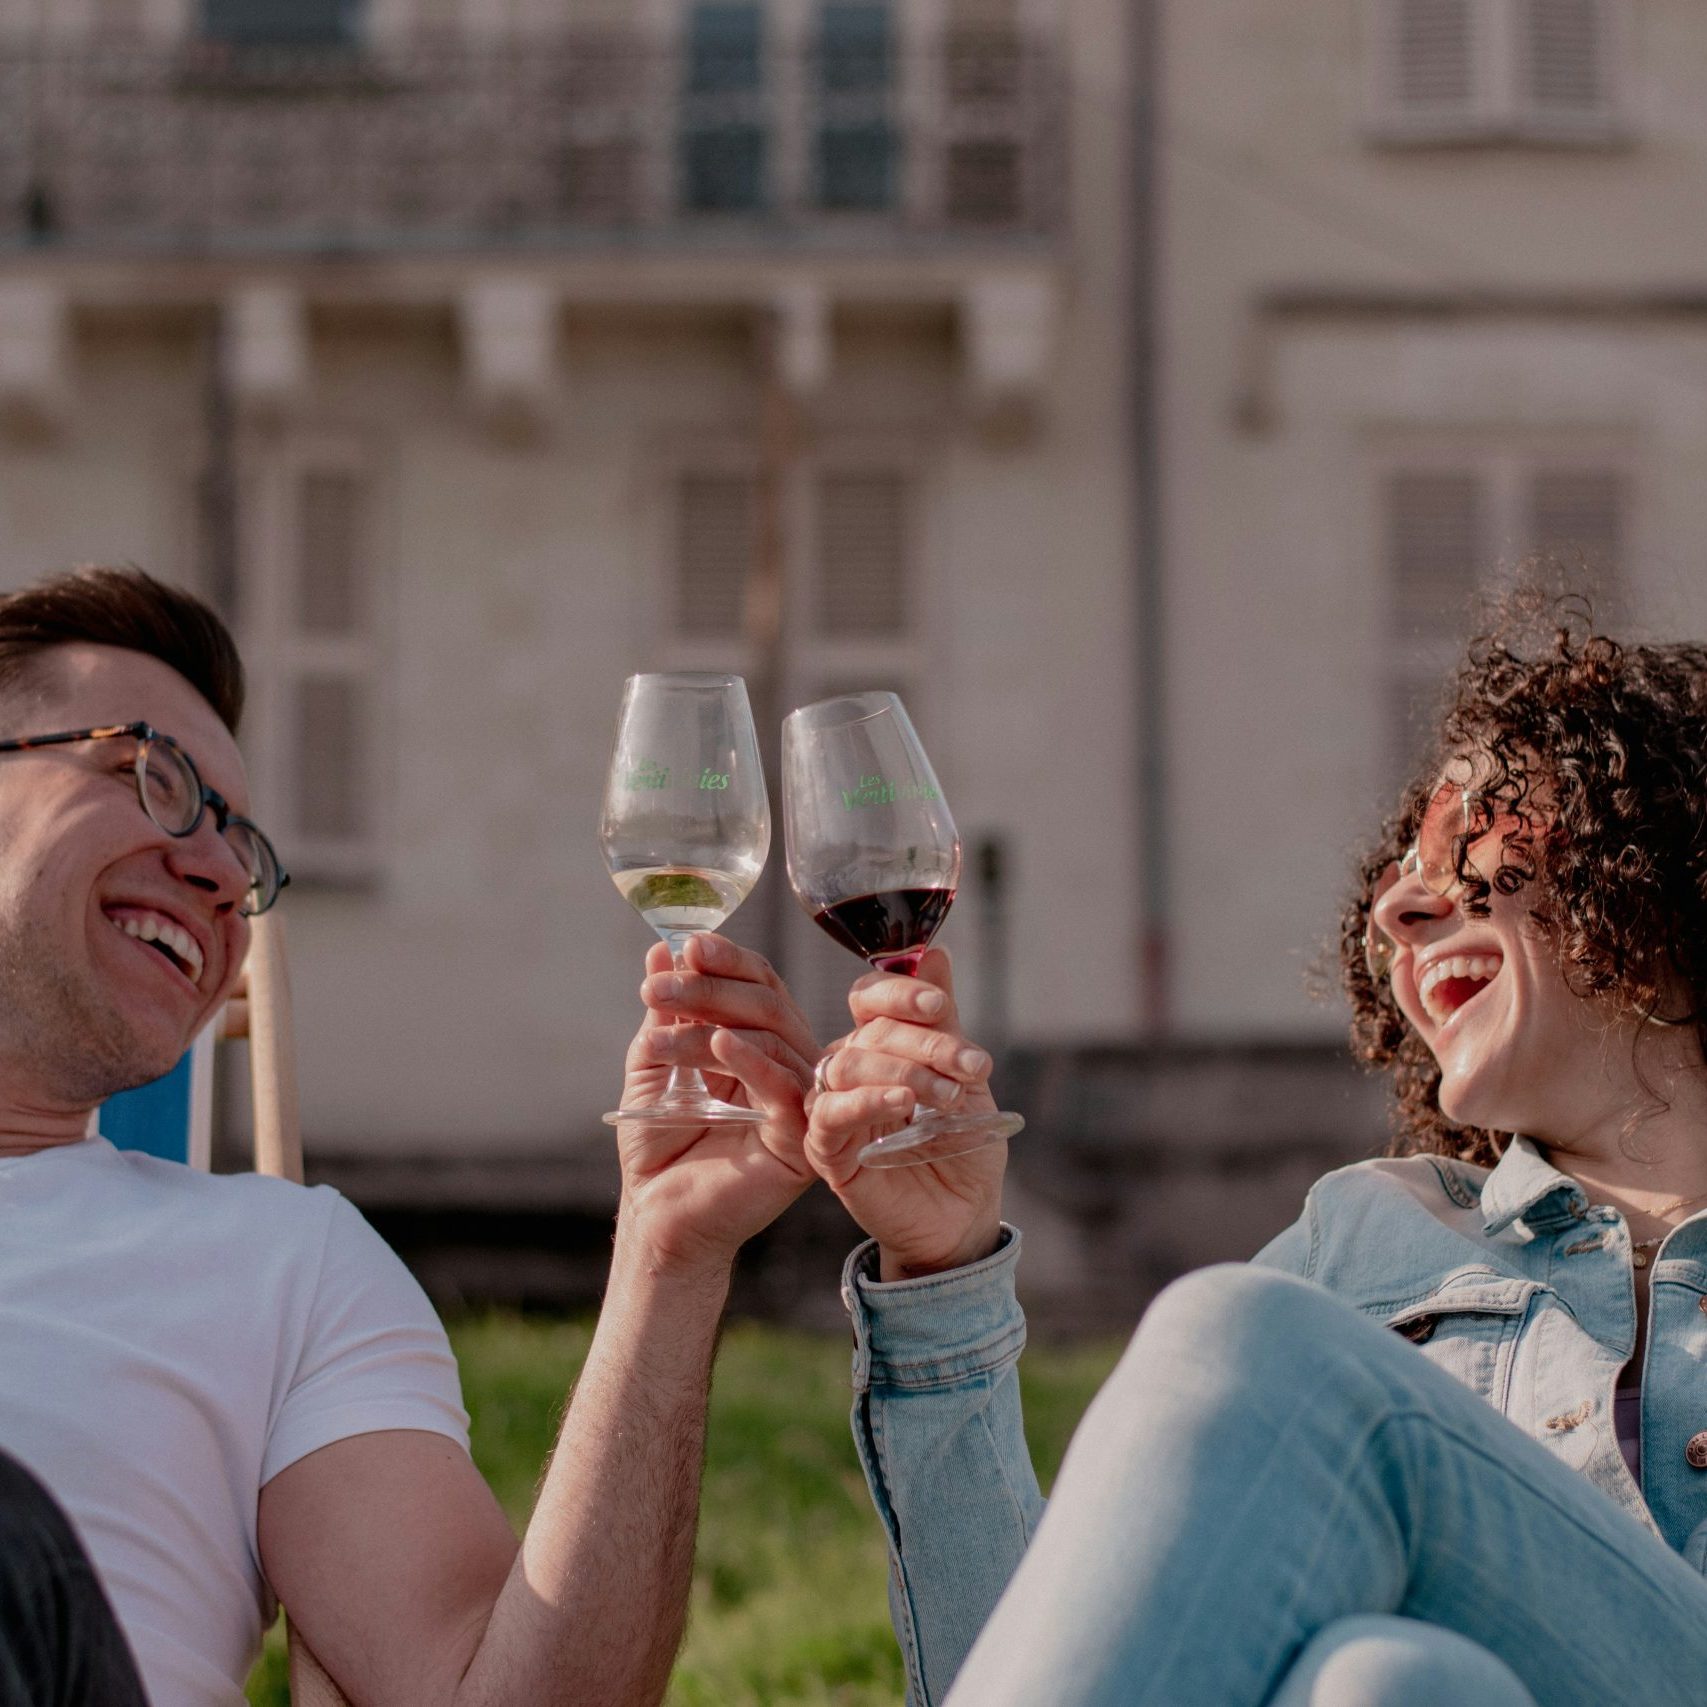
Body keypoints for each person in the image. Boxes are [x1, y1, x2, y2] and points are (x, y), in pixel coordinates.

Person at [803, 594, 1707, 1706]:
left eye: (1472, 837)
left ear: (1652, 866)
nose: (1397, 910)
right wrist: (943, 1275)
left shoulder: (1295, 1355)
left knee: (1237, 1329)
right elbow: (1034, 1659)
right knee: (1387, 1681)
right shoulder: (1372, 1233)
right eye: (1401, 871)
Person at [0, 566, 821, 1707]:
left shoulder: (281, 1266)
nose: (223, 874)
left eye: (248, 852)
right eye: (154, 778)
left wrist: (667, 1260)